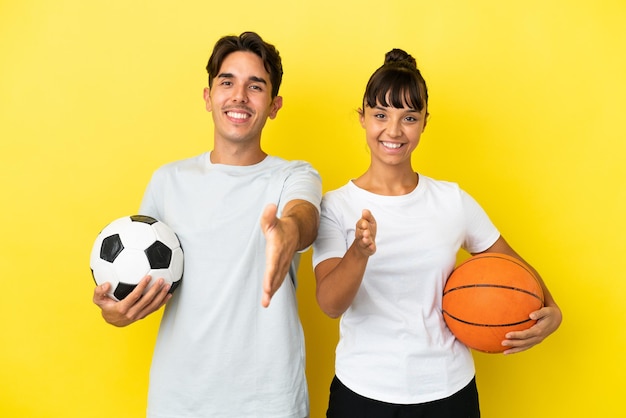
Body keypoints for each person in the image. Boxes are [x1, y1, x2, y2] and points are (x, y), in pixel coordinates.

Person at [312, 48, 562, 417]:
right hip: (362, 390)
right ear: (363, 117)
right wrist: (359, 253)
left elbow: (513, 267)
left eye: (408, 117)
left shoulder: (452, 200)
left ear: (425, 121)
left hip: (448, 389)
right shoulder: (335, 205)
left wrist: (552, 310)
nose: (393, 131)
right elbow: (330, 305)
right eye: (381, 115)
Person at [93, 31, 321, 418]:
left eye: (256, 86)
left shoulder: (293, 176)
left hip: (269, 400)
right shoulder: (167, 181)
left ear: (274, 105)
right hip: (180, 399)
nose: (239, 96)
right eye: (227, 82)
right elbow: (138, 276)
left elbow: (305, 217)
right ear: (207, 96)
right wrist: (114, 311)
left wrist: (289, 231)